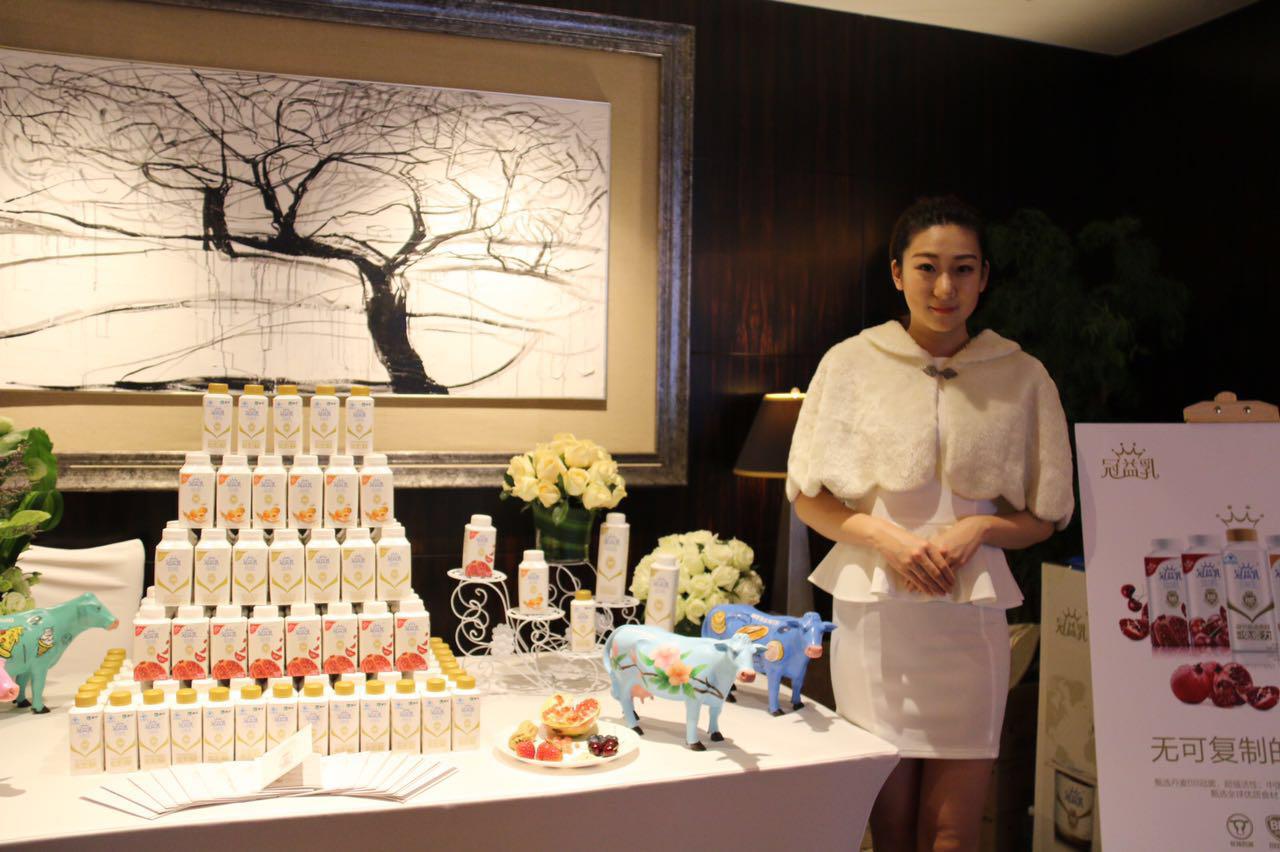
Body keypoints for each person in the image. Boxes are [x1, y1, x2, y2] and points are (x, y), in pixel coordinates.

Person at [787, 196, 1073, 852]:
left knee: (952, 831)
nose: (945, 287)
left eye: (963, 269)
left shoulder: (1023, 376)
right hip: (876, 616)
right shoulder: (849, 364)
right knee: (889, 828)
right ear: (897, 273)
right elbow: (808, 498)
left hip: (969, 624)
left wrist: (980, 531)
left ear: (984, 277)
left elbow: (1046, 514)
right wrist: (885, 537)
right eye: (927, 267)